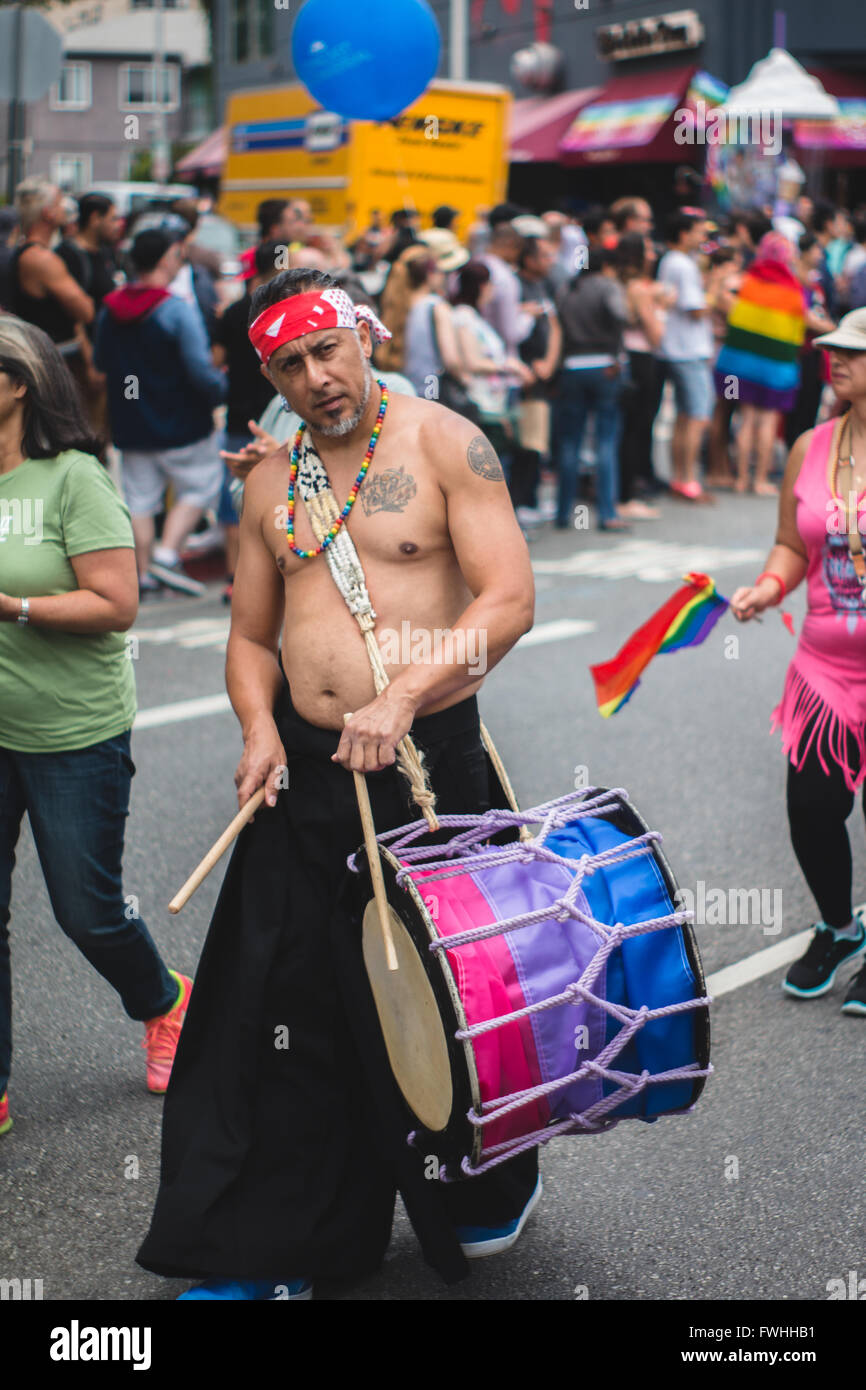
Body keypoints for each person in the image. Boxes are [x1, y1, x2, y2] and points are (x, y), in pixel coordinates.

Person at [136, 267, 540, 1299]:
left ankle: (480, 1190)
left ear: (363, 334)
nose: (315, 377)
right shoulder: (270, 478)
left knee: (446, 998)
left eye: (327, 349)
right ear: (266, 370)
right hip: (309, 780)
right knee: (283, 1006)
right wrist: (258, 726)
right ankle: (271, 1243)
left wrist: (402, 692)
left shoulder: (449, 442)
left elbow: (507, 600)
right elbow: (249, 632)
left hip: (429, 764)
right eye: (286, 362)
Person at [0, 315, 193, 1140]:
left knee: (87, 910)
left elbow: (116, 606)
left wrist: (13, 605)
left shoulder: (73, 478)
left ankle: (164, 999)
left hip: (71, 731)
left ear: (15, 385)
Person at [730, 307, 866, 1016]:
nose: (833, 359)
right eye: (833, 349)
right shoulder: (811, 445)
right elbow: (792, 542)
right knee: (812, 808)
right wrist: (769, 586)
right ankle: (841, 929)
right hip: (824, 667)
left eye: (853, 352)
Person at [93, 226, 226, 597]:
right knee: (202, 484)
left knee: (139, 499)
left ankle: (143, 575)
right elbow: (200, 371)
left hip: (130, 420)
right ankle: (167, 556)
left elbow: (101, 361)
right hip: (181, 419)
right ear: (168, 259)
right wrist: (221, 392)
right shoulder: (175, 310)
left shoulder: (109, 308)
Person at [212, 240, 283, 601]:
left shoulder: (235, 310)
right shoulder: (281, 309)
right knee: (274, 490)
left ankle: (233, 576)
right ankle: (266, 575)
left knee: (237, 493)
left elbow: (217, 357)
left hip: (240, 412)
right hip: (277, 411)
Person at [714, 232, 807, 496]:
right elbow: (796, 335)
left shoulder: (747, 282)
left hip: (741, 365)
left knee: (746, 419)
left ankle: (741, 478)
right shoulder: (793, 291)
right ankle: (761, 480)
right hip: (776, 368)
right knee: (767, 421)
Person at [555, 247, 630, 531]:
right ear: (606, 265)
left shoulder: (568, 290)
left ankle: (564, 513)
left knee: (569, 442)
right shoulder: (607, 287)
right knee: (606, 440)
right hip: (604, 367)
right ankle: (607, 513)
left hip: (571, 367)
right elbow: (620, 315)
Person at [7, 178, 95, 405]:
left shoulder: (23, 252)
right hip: (52, 365)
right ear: (47, 213)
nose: (64, 207)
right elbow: (85, 311)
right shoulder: (43, 259)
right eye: (59, 202)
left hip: (42, 362)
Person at [656, 209, 714, 503]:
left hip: (675, 348)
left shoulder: (671, 261)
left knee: (684, 416)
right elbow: (696, 309)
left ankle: (680, 478)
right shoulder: (682, 264)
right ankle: (688, 479)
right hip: (688, 350)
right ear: (683, 233)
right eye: (698, 231)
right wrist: (715, 290)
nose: (703, 237)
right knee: (696, 416)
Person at [450, 259, 529, 469]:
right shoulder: (464, 317)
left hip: (491, 403)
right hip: (480, 404)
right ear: (481, 286)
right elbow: (471, 361)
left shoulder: (473, 317)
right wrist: (507, 366)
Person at [614, 233, 670, 517]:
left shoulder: (617, 283)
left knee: (624, 428)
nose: (653, 255)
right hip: (641, 360)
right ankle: (626, 497)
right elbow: (657, 335)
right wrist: (660, 310)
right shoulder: (640, 289)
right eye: (647, 250)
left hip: (623, 359)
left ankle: (621, 493)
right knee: (636, 428)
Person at [513, 236, 561, 518]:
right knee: (524, 439)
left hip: (541, 372)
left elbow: (555, 326)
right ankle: (520, 502)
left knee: (536, 437)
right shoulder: (514, 285)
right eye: (544, 256)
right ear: (528, 259)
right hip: (521, 373)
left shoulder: (545, 285)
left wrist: (550, 362)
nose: (550, 262)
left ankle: (529, 498)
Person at [378, 246, 465, 398]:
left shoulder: (397, 305)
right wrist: (465, 380)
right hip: (431, 392)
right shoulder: (435, 306)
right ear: (430, 275)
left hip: (403, 393)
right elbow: (451, 360)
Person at [784, 232, 836, 449]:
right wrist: (832, 328)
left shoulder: (817, 279)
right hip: (798, 352)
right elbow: (802, 315)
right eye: (815, 250)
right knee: (795, 405)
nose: (819, 254)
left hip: (816, 351)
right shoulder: (793, 280)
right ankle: (793, 451)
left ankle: (803, 452)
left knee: (811, 404)